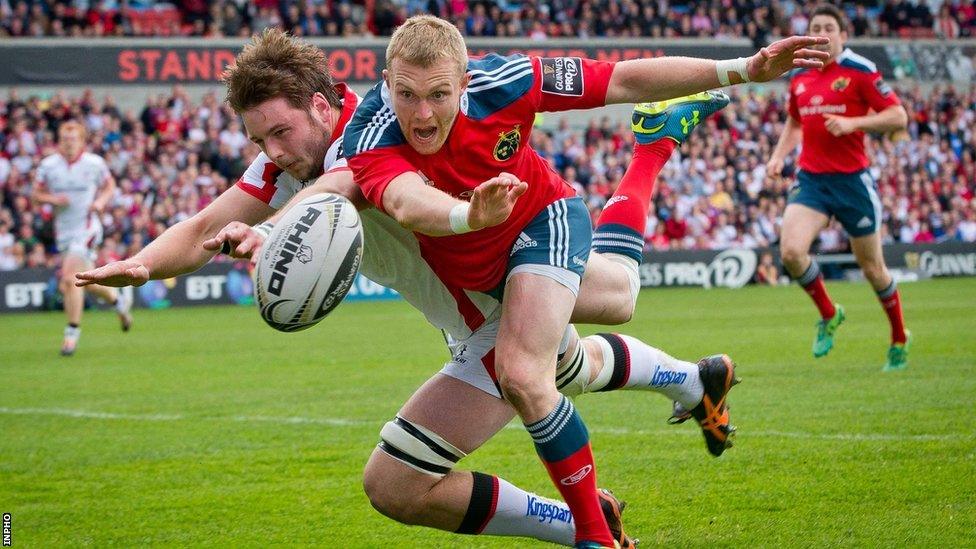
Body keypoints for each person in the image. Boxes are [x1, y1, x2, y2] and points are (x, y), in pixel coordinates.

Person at [343, 15, 827, 548]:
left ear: (464, 81)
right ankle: (654, 156)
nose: (422, 114)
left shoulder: (507, 81)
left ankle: (596, 536)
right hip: (484, 270)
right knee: (611, 307)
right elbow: (404, 201)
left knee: (525, 374)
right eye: (406, 94)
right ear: (387, 83)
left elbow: (619, 80)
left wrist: (742, 68)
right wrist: (467, 218)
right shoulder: (367, 130)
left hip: (541, 222)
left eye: (438, 94)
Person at [767, 4, 911, 371]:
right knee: (792, 252)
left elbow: (898, 116)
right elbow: (794, 124)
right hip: (812, 180)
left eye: (829, 27)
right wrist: (778, 155)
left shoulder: (860, 71)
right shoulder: (800, 76)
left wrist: (853, 125)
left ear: (843, 34)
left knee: (873, 269)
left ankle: (898, 338)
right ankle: (829, 313)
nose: (822, 33)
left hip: (852, 183)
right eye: (816, 27)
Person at [31, 121, 132, 356]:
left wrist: (100, 202)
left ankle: (71, 335)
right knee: (86, 281)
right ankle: (118, 302)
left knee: (69, 279)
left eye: (73, 139)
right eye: (65, 140)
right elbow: (35, 195)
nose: (68, 144)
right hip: (64, 232)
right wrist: (54, 200)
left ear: (81, 141)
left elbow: (109, 186)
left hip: (87, 229)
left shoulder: (94, 163)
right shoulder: (48, 166)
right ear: (59, 141)